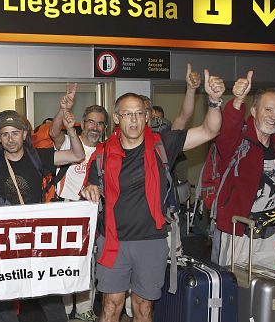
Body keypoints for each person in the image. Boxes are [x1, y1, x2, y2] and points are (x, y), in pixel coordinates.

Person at [80, 70, 225, 322]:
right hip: (113, 242)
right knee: (110, 307)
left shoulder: (162, 144)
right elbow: (90, 188)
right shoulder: (102, 155)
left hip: (151, 241)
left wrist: (213, 102)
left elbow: (209, 130)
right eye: (127, 114)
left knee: (143, 307)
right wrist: (89, 190)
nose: (134, 120)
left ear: (146, 116)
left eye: (138, 113)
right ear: (116, 118)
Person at [0, 85, 85, 322]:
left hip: (36, 236)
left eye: (15, 133)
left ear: (24, 134)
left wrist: (71, 130)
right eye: (5, 134)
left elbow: (78, 156)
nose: (10, 139)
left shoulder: (38, 156)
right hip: (5, 240)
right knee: (4, 297)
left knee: (49, 294)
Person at [213, 72, 275, 272]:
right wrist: (237, 100)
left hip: (269, 232)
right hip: (239, 231)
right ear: (254, 110)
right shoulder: (239, 141)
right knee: (233, 287)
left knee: (265, 287)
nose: (274, 116)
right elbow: (226, 130)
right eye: (269, 109)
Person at [48, 101, 109, 322]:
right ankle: (63, 310)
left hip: (91, 213)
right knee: (63, 262)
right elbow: (53, 131)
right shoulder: (67, 142)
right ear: (82, 123)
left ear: (104, 128)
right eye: (91, 122)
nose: (94, 127)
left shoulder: (107, 150)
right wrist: (63, 110)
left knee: (88, 262)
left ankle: (84, 308)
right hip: (64, 207)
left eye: (100, 124)